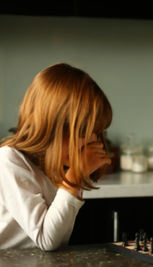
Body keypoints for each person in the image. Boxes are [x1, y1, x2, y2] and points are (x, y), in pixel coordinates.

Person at [0, 63, 112, 250]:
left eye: (97, 131)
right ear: (53, 128)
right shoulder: (9, 160)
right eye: (84, 131)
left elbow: (60, 242)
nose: (94, 140)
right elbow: (47, 241)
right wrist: (75, 177)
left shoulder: (57, 165)